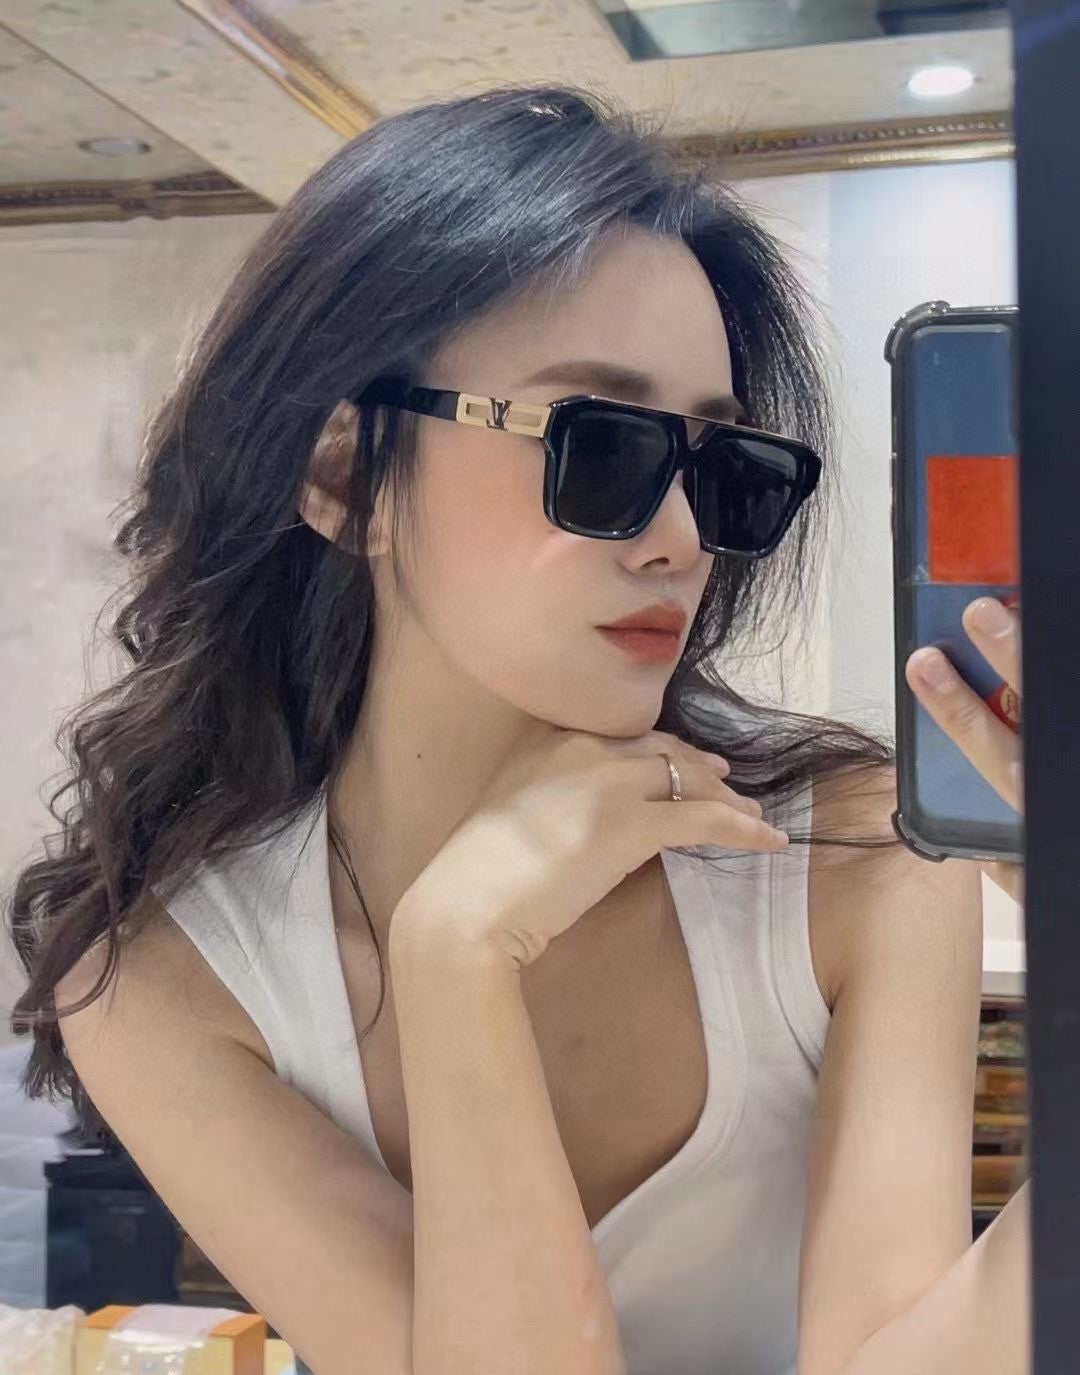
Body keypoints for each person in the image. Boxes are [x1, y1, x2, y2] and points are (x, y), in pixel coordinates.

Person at [6, 86, 1028, 1375]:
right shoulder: (164, 977)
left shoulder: (856, 853)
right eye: (598, 447)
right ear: (342, 475)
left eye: (719, 469)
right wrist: (457, 956)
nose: (681, 540)